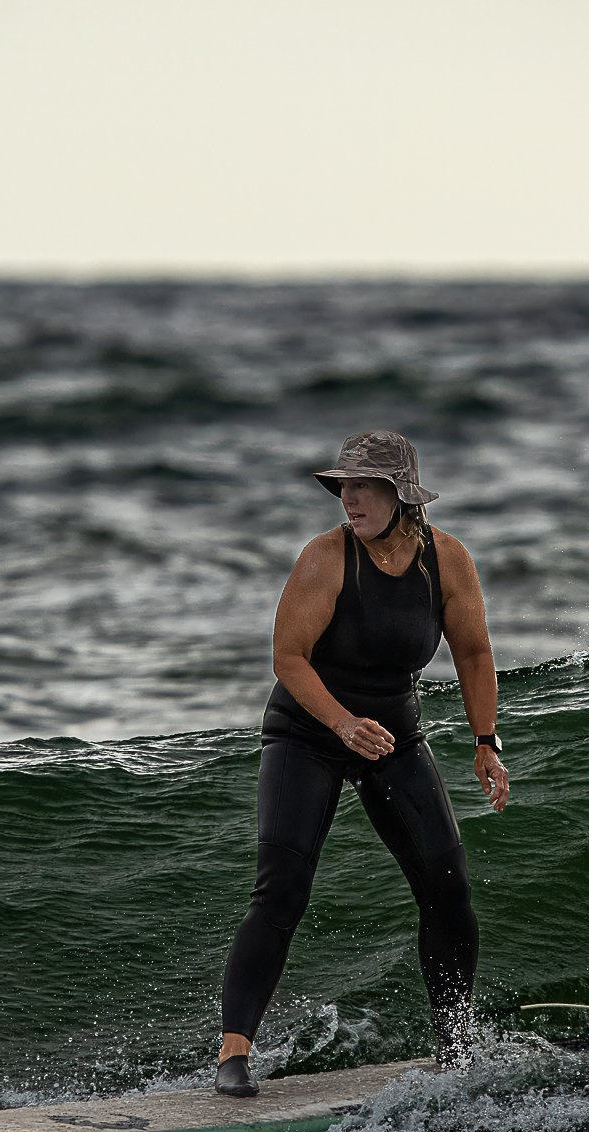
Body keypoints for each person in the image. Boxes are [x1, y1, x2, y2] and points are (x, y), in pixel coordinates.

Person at [214, 430, 510, 1098]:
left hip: (393, 736)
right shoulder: (326, 558)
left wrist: (486, 742)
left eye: (364, 487)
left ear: (402, 495)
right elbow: (288, 658)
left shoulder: (447, 561)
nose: (349, 499)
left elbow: (474, 653)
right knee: (282, 887)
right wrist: (341, 722)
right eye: (343, 486)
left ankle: (456, 1046)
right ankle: (233, 1055)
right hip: (308, 731)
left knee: (447, 883)